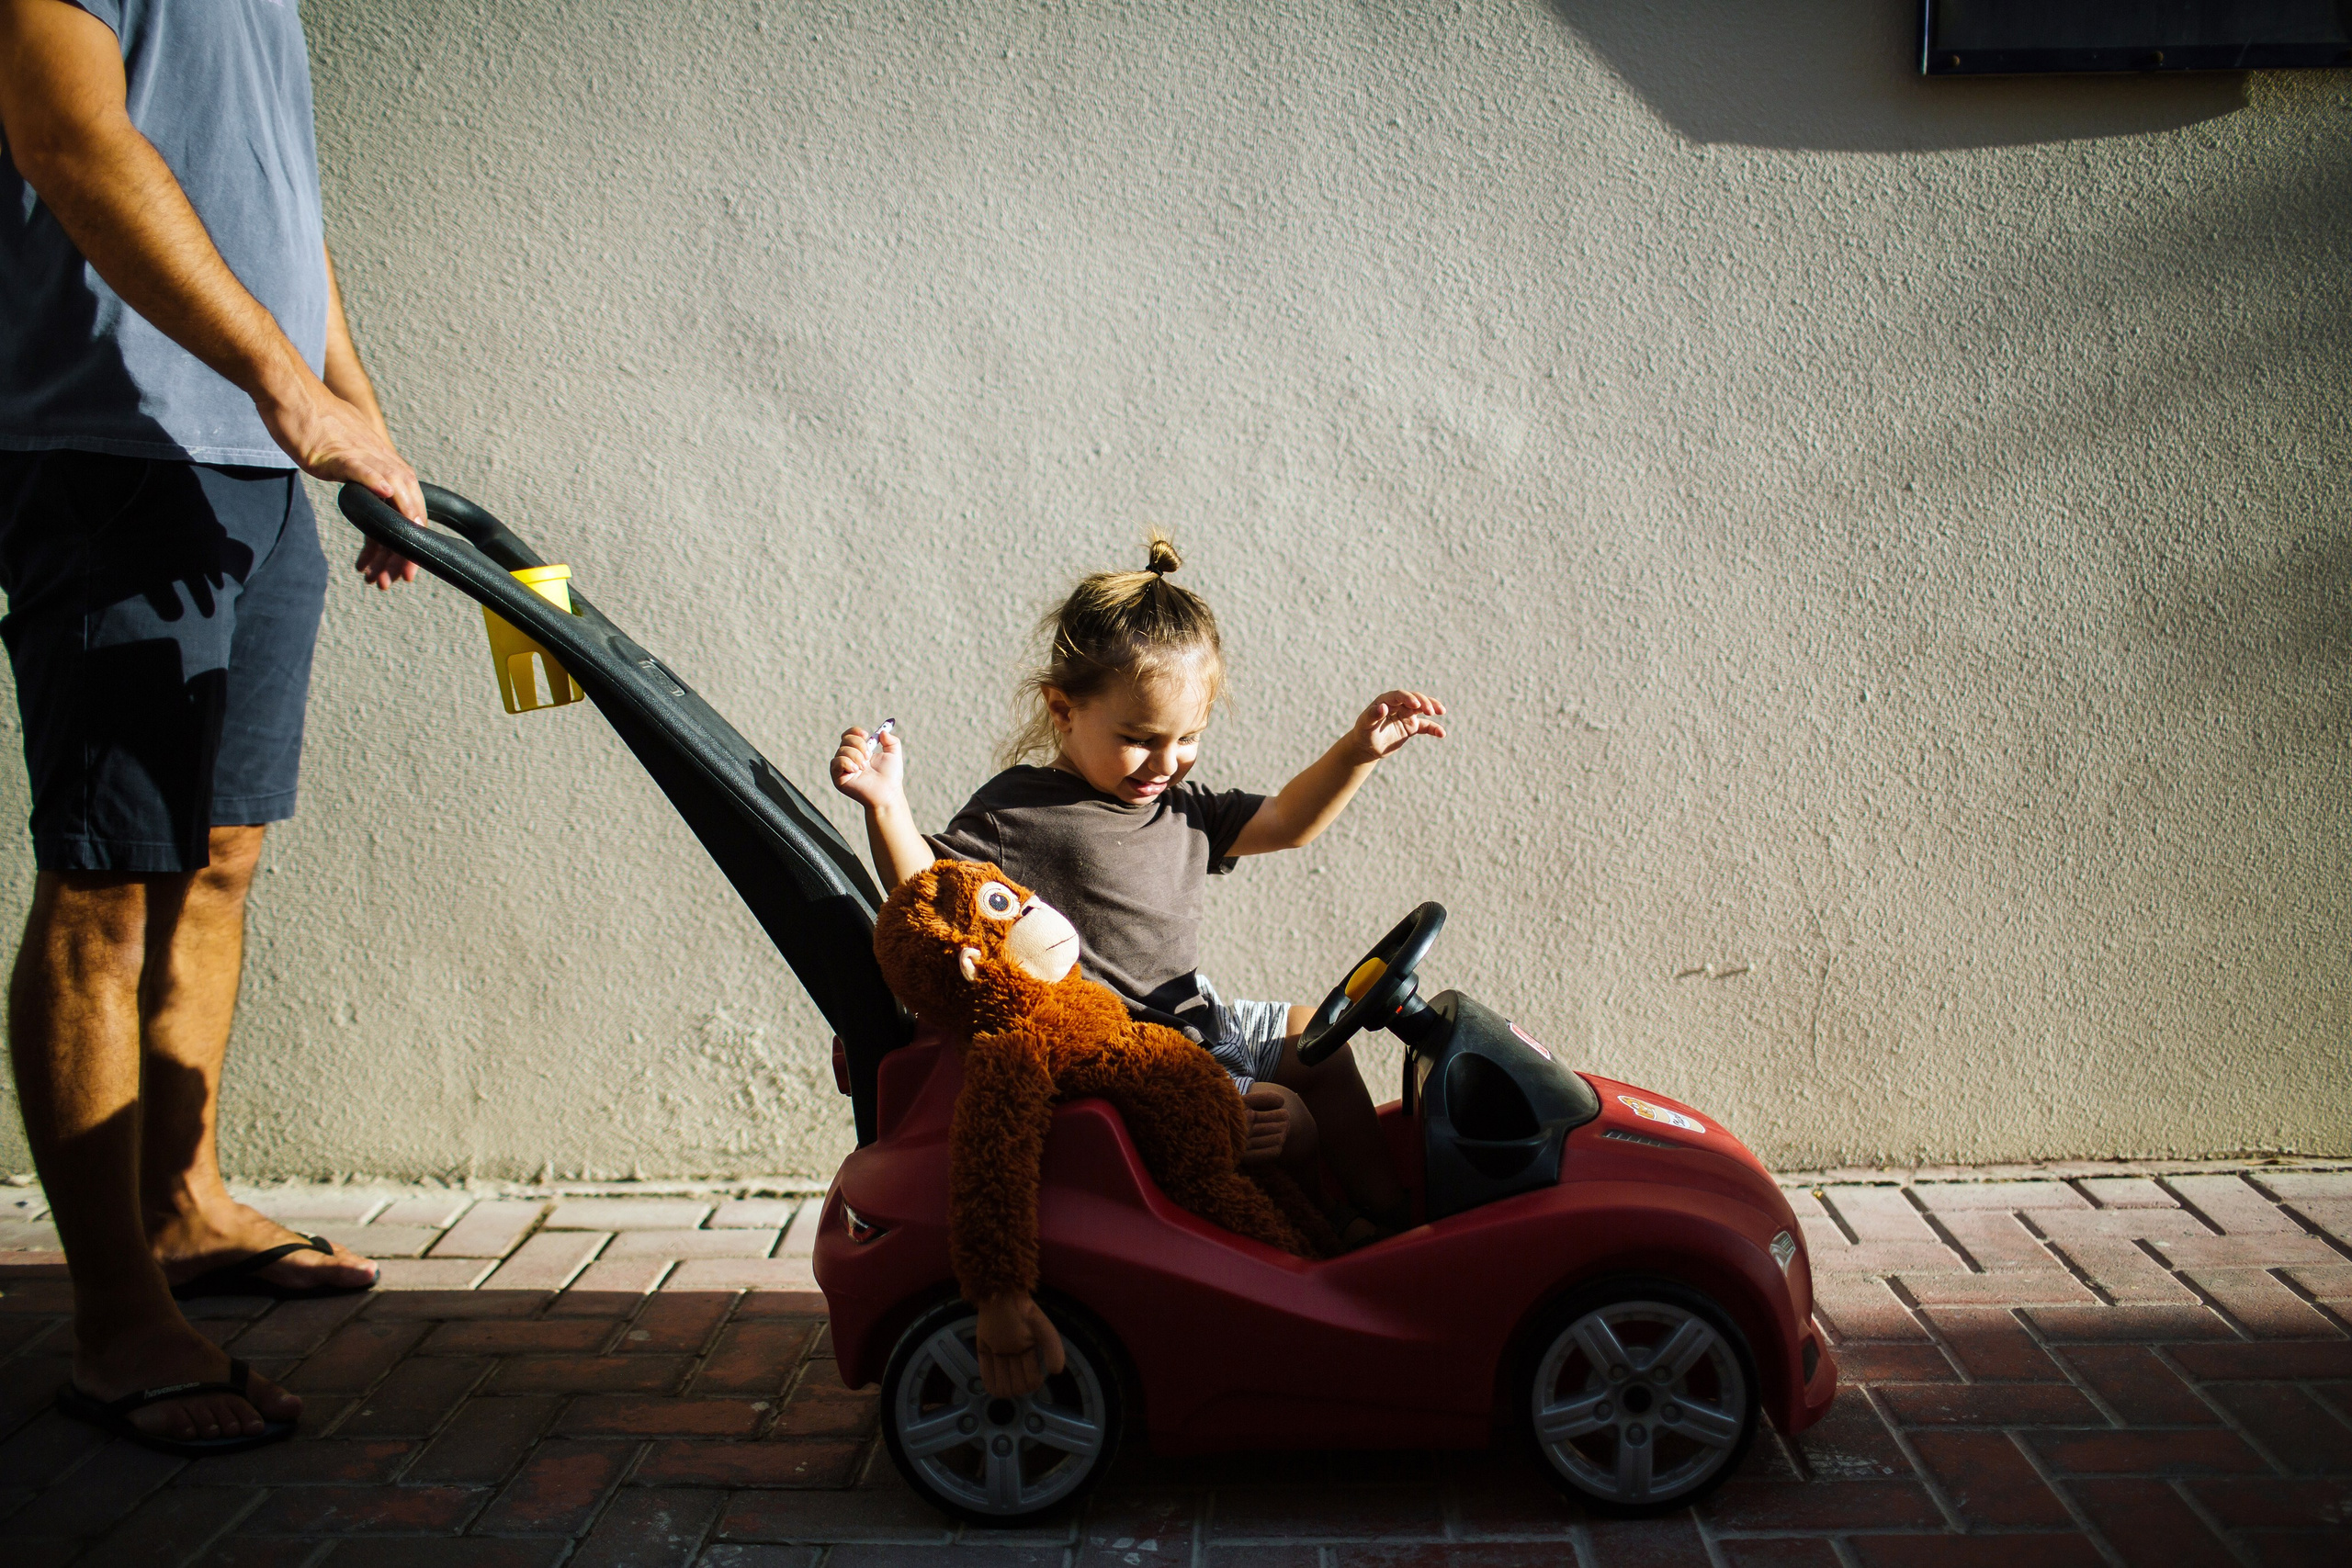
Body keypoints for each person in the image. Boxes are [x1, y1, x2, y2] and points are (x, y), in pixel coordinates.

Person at [0, 0, 428, 1455]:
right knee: (109, 876)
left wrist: (350, 407)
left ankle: (182, 1208)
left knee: (224, 849)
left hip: (253, 445)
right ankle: (119, 1323)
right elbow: (70, 139)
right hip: (106, 445)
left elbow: (274, 195)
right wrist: (285, 384)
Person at [832, 533, 1445, 1393]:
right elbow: (935, 898)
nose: (1166, 762)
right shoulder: (1019, 813)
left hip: (1198, 1020)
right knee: (1277, 1115)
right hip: (1130, 1061)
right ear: (1062, 708)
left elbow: (1290, 823)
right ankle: (1313, 1230)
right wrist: (886, 806)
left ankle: (1381, 1223)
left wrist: (1355, 752)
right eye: (1139, 738)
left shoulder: (1182, 808)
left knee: (1322, 1034)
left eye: (1187, 737)